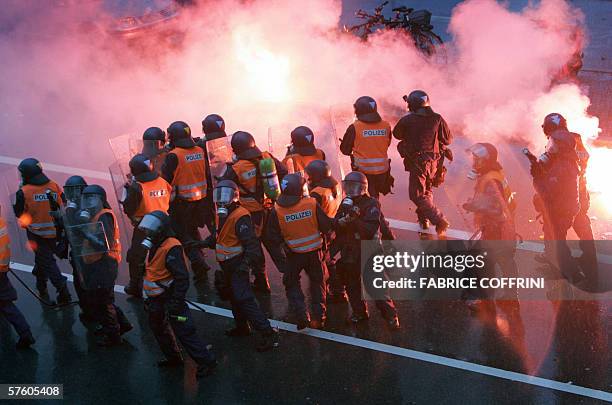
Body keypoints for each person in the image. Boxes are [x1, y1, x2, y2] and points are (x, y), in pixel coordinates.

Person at [195, 180, 280, 350]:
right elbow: (221, 236)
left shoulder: (241, 215)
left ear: (234, 196)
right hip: (227, 264)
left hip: (237, 264)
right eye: (218, 195)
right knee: (234, 298)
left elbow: (251, 244)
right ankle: (242, 327)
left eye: (224, 195)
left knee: (244, 298)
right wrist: (201, 244)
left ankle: (268, 333)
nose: (220, 199)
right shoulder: (223, 214)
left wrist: (245, 265)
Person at [138, 211, 218, 377]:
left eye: (151, 229)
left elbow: (182, 278)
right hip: (155, 299)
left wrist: (176, 300)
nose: (148, 232)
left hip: (169, 299)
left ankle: (206, 361)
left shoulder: (171, 247)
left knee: (184, 331)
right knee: (159, 328)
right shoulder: (154, 244)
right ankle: (173, 358)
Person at [220, 131, 289, 294]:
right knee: (274, 244)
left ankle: (262, 282)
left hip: (250, 215)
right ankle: (290, 275)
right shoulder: (267, 157)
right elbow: (284, 171)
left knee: (254, 247)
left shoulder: (236, 168)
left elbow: (225, 187)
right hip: (270, 209)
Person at [535, 113, 597, 289]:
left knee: (553, 227)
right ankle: (589, 260)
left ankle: (556, 263)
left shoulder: (556, 141)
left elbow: (550, 167)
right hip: (580, 190)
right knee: (582, 225)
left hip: (563, 192)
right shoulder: (574, 138)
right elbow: (584, 160)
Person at [462, 143, 522, 326]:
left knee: (479, 263)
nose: (474, 161)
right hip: (504, 228)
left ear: (484, 160)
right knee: (505, 263)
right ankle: (511, 298)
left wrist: (473, 206)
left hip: (496, 230)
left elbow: (495, 206)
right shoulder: (495, 174)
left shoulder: (491, 179)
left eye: (476, 158)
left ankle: (480, 299)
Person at [333, 172, 400, 329]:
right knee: (352, 284)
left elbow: (370, 229)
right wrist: (342, 221)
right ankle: (359, 312)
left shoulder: (371, 204)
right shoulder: (345, 203)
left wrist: (354, 219)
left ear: (363, 188)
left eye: (353, 187)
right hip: (350, 251)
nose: (350, 190)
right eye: (347, 186)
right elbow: (336, 223)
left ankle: (391, 316)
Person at [267, 174, 333, 329]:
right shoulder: (311, 203)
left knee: (291, 283)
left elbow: (273, 238)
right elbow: (326, 227)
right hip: (315, 254)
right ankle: (320, 315)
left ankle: (301, 315)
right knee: (318, 283)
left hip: (294, 255)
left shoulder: (277, 210)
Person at [76, 185, 132, 346]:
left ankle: (114, 335)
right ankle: (121, 325)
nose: (87, 201)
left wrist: (85, 232)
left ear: (101, 199)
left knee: (103, 301)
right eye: (85, 197)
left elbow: (103, 244)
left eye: (91, 197)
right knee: (102, 298)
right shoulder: (93, 215)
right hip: (96, 262)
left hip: (105, 263)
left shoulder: (104, 216)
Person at [528, 120, 583, 283]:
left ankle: (571, 273)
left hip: (560, 211)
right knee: (554, 240)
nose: (551, 147)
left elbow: (547, 190)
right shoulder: (563, 161)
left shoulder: (563, 166)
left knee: (557, 244)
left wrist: (537, 176)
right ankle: (559, 268)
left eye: (555, 144)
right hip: (561, 209)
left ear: (563, 147)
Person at [393, 90, 452, 237]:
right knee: (426, 191)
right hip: (435, 163)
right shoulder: (437, 118)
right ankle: (424, 219)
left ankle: (438, 219)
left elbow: (397, 134)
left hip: (419, 163)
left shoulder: (408, 120)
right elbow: (448, 139)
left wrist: (408, 120)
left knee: (417, 194)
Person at [13, 158, 72, 303]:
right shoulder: (53, 185)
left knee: (47, 262)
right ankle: (41, 283)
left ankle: (63, 290)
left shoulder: (24, 192)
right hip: (56, 232)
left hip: (37, 234)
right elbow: (63, 202)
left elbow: (19, 213)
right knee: (43, 259)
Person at [161, 121, 211, 281]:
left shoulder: (173, 156)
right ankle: (200, 255)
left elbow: (166, 179)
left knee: (181, 233)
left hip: (181, 202)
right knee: (191, 229)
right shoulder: (200, 150)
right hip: (201, 200)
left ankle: (198, 263)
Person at [340, 96, 395, 241]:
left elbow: (344, 150)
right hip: (383, 172)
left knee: (372, 205)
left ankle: (385, 235)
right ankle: (382, 232)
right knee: (374, 201)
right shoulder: (386, 125)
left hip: (364, 174)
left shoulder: (355, 127)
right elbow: (387, 143)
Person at [122, 154, 173, 298]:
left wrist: (127, 189)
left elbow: (128, 208)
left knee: (136, 257)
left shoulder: (137, 188)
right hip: (163, 225)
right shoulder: (162, 181)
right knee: (161, 255)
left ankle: (135, 286)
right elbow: (170, 197)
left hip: (144, 228)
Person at [304, 160, 346, 303]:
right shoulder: (336, 185)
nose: (308, 178)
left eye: (310, 175)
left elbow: (313, 212)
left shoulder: (317, 193)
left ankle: (336, 289)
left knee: (326, 262)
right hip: (334, 227)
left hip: (322, 232)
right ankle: (338, 288)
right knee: (329, 259)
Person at [62, 175, 96, 322]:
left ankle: (91, 313)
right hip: (81, 251)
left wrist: (70, 209)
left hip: (86, 251)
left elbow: (75, 226)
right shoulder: (87, 202)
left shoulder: (86, 207)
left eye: (75, 191)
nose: (72, 195)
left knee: (86, 285)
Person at [0, 209, 36, 349]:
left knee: (5, 304)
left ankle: (25, 334)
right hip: (2, 266)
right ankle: (24, 333)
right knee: (5, 303)